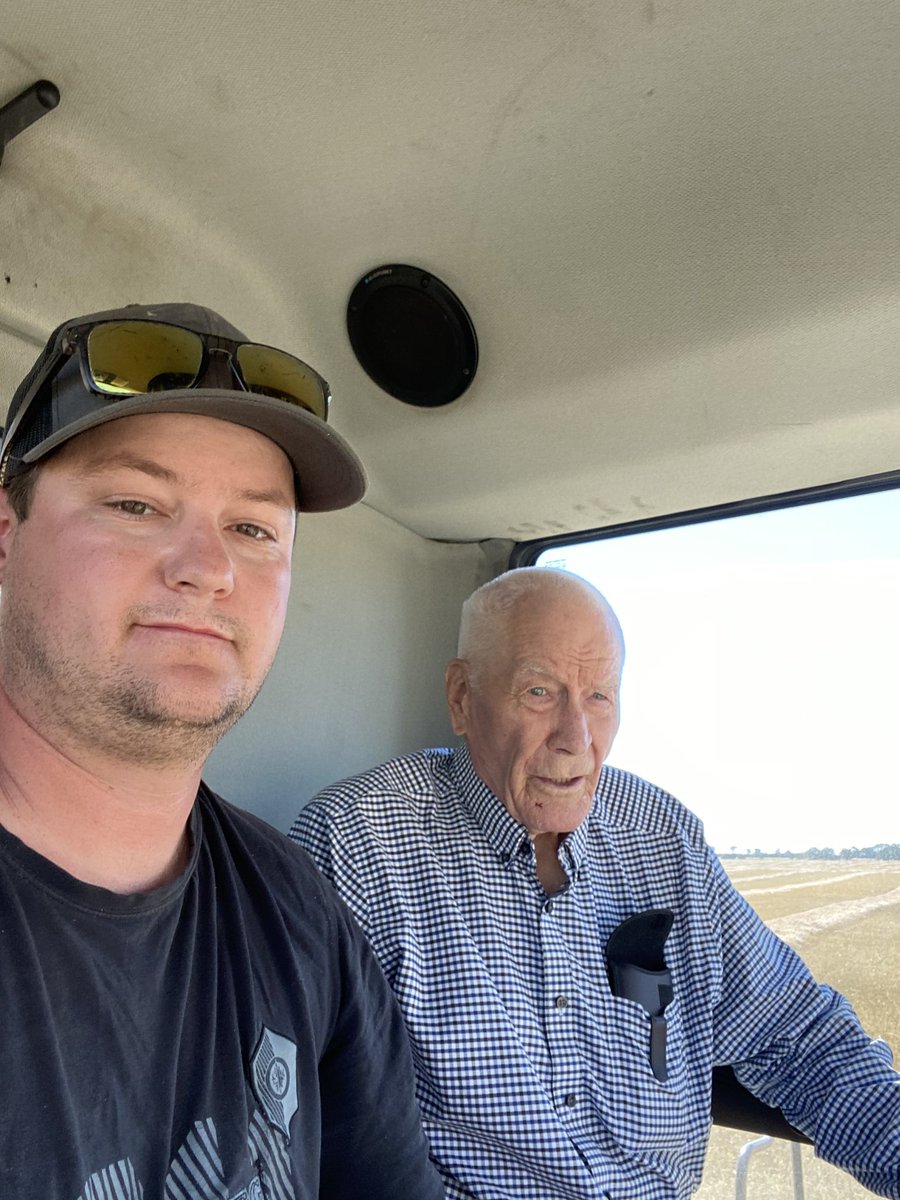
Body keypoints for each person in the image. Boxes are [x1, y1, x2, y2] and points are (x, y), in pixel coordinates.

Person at [0, 301, 445, 1199]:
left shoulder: (300, 917)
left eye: (253, 528)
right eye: (136, 504)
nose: (207, 568)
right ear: (5, 535)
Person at [292, 566, 900, 1200]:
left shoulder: (664, 840)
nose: (576, 739)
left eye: (600, 697)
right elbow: (295, 1118)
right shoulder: (358, 842)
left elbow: (800, 1039)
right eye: (538, 692)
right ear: (461, 697)